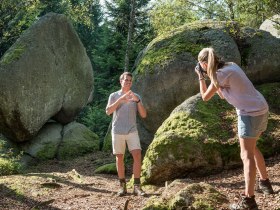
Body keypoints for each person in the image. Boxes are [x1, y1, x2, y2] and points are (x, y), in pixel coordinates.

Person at [195, 47, 274, 210]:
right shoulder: (230, 66)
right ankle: (265, 183)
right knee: (252, 148)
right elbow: (223, 94)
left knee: (246, 155)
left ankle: (249, 200)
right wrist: (209, 75)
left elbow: (204, 97)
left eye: (201, 65)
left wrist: (201, 77)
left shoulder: (220, 75)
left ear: (204, 63)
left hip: (249, 114)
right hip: (261, 109)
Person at [106, 72, 147, 197]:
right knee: (119, 158)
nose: (128, 82)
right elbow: (108, 111)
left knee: (137, 155)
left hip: (132, 130)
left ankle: (136, 187)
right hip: (117, 130)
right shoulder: (114, 95)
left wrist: (138, 101)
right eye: (126, 80)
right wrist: (120, 100)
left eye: (130, 81)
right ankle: (122, 187)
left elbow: (144, 115)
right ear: (121, 81)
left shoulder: (136, 96)